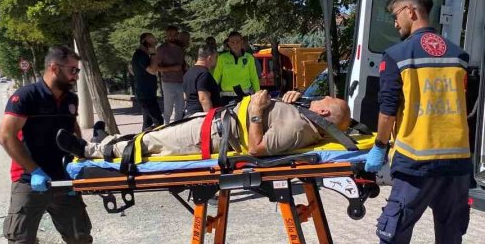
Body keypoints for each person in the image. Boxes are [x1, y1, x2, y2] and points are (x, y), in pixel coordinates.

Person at [364, 0, 471, 244]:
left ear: (411, 11)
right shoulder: (459, 56)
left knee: (393, 240)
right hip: (456, 166)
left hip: (416, 165)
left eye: (396, 15)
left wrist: (379, 148)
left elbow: (387, 111)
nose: (395, 22)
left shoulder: (397, 56)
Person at [0, 46, 94, 244]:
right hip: (29, 181)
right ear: (54, 68)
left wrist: (80, 158)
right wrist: (35, 170)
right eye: (72, 70)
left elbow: (72, 131)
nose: (76, 75)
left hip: (63, 180)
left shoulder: (71, 99)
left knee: (80, 236)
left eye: (77, 71)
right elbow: (6, 136)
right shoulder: (26, 96)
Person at [59, 90, 350, 159]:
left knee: (151, 143)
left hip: (212, 135)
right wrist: (292, 99)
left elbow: (257, 149)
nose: (320, 97)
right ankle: (105, 141)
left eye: (324, 99)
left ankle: (88, 151)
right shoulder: (303, 116)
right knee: (155, 133)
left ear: (324, 112)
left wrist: (256, 112)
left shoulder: (299, 129)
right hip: (216, 122)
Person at [131, 33, 166, 130]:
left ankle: (143, 139)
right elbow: (152, 70)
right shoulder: (140, 55)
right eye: (152, 42)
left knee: (148, 123)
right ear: (144, 42)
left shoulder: (143, 55)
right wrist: (154, 54)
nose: (154, 45)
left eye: (154, 42)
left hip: (148, 94)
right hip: (145, 95)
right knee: (158, 121)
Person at [153, 25, 187, 125]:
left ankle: (177, 128)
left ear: (177, 35)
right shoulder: (161, 49)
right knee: (168, 109)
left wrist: (185, 68)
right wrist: (172, 68)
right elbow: (155, 67)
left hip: (181, 82)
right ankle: (166, 127)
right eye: (170, 35)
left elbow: (182, 64)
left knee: (180, 109)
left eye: (175, 35)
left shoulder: (180, 48)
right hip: (168, 83)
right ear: (166, 36)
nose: (172, 37)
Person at [213, 31, 260, 98]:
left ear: (241, 42)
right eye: (232, 42)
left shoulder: (249, 57)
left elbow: (254, 77)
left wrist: (257, 93)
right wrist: (210, 93)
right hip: (226, 97)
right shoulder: (222, 58)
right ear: (229, 43)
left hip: (245, 95)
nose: (235, 45)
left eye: (237, 42)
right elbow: (216, 77)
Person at [183, 45, 221, 115]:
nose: (216, 60)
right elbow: (203, 99)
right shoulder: (204, 74)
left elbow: (185, 96)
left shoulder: (188, 73)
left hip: (190, 114)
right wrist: (210, 117)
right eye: (216, 57)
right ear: (209, 58)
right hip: (201, 116)